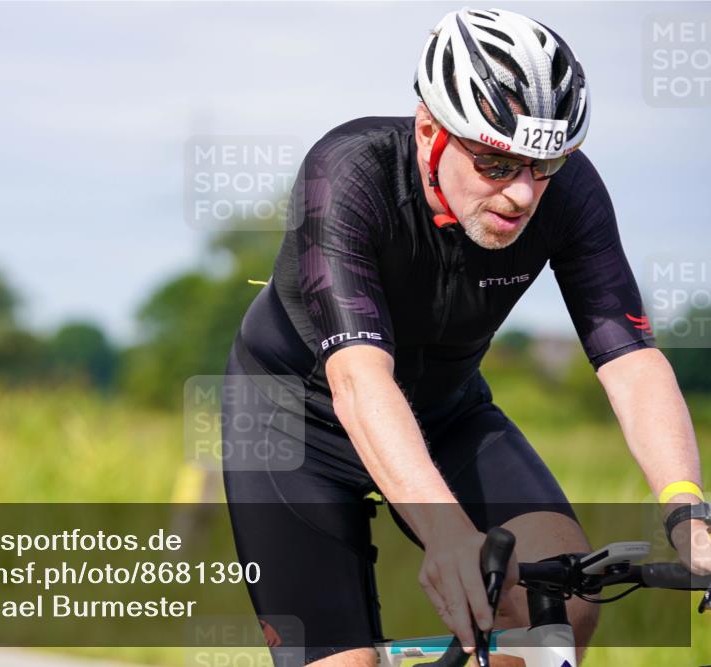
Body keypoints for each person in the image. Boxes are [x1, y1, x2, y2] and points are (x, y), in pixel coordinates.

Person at [220, 7, 710, 666]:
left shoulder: (568, 194)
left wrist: (686, 507)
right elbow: (359, 378)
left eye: (546, 163)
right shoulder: (347, 175)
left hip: (446, 412)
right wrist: (447, 532)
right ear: (430, 131)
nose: (522, 194)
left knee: (561, 598)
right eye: (495, 163)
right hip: (292, 423)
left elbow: (630, 360)